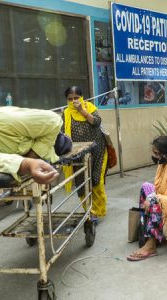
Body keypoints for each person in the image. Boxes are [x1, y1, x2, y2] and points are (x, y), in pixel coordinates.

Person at [62, 86, 108, 222]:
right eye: (70, 99)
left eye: (76, 98)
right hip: (78, 153)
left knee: (96, 180)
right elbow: (63, 131)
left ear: (82, 97)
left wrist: (81, 111)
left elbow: (97, 122)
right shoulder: (66, 113)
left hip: (97, 149)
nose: (73, 101)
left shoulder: (90, 107)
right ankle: (90, 211)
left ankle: (99, 209)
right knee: (81, 182)